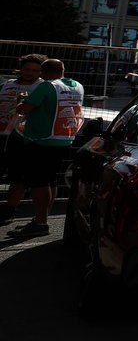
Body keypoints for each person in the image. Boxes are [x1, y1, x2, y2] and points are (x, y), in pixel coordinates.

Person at [7, 58, 85, 238]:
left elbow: (24, 110)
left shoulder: (47, 86)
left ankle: (40, 222)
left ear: (44, 72)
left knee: (38, 182)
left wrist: (20, 101)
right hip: (64, 138)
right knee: (50, 180)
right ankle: (41, 219)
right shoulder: (77, 86)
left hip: (42, 140)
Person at [0, 55, 46, 223]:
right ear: (20, 68)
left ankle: (9, 209)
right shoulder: (7, 84)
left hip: (22, 137)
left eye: (34, 70)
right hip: (1, 133)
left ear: (40, 72)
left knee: (17, 176)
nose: (29, 73)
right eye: (27, 69)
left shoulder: (42, 86)